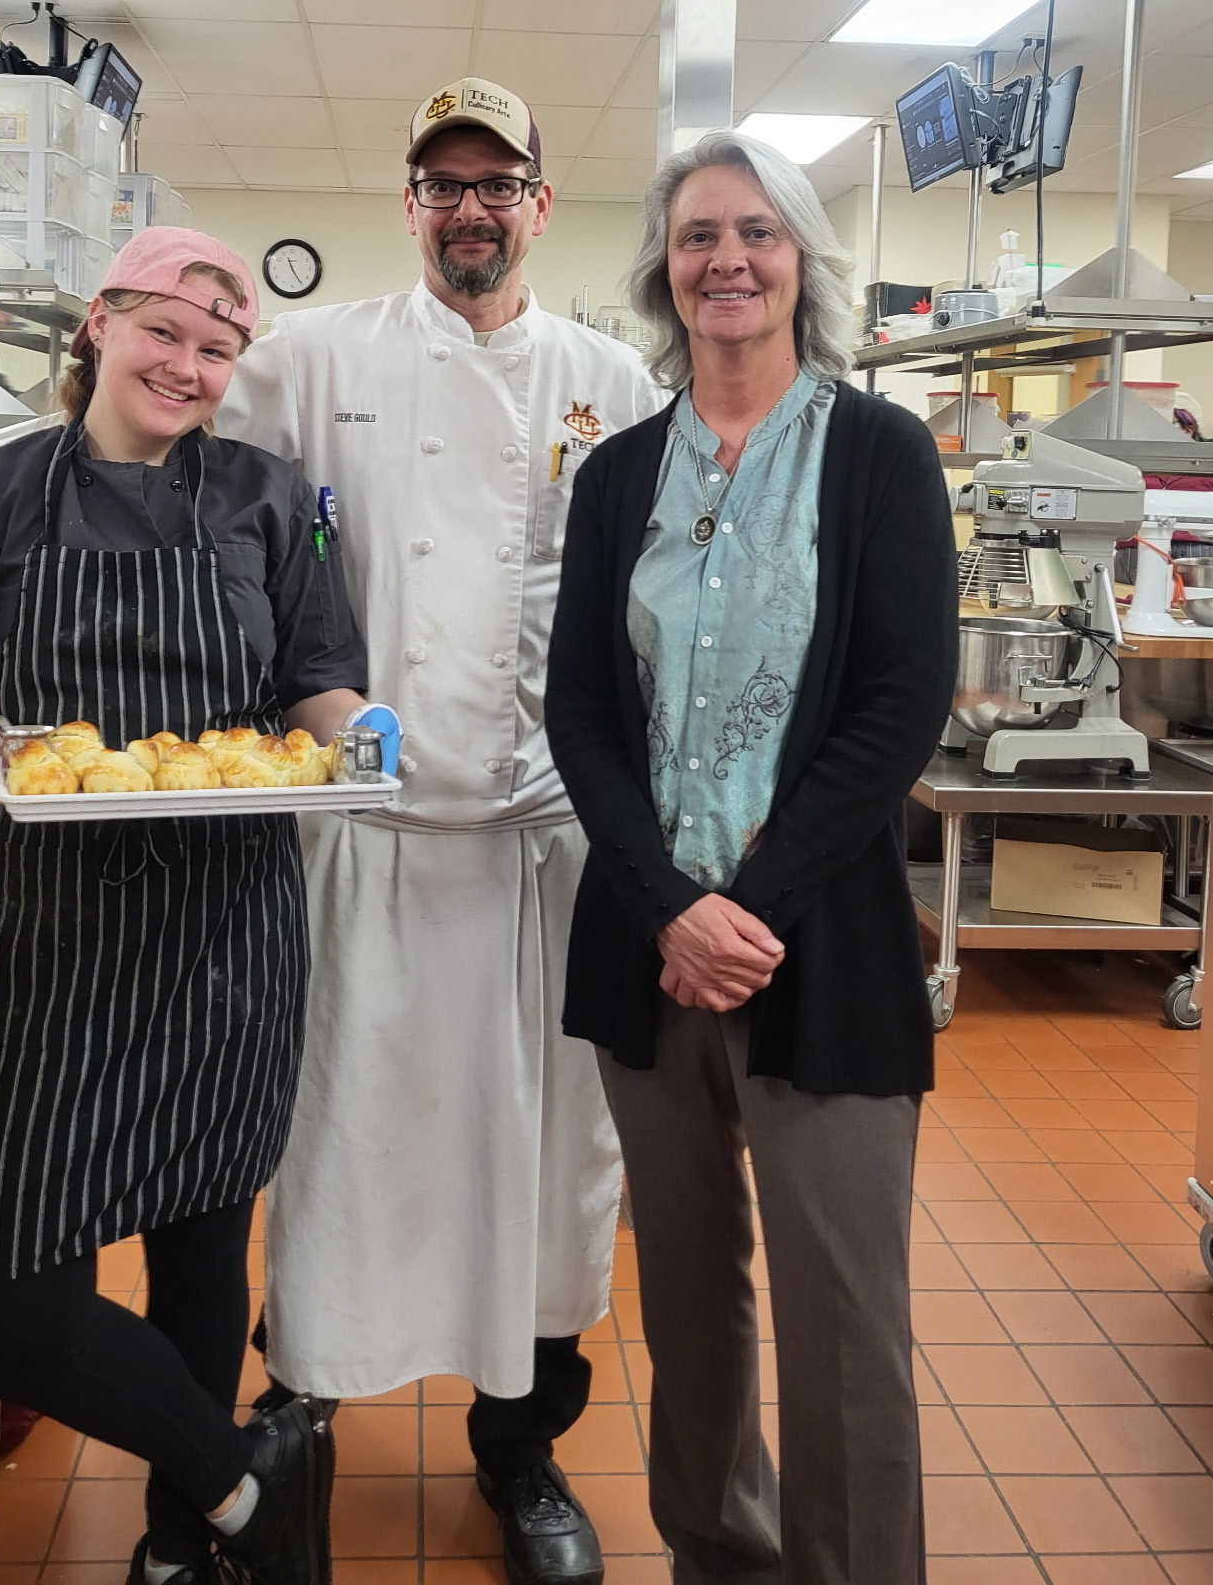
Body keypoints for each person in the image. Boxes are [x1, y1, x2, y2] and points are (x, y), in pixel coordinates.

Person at [219, 79, 664, 1585]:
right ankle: (304, 1411)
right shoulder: (314, 356)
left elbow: (668, 604)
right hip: (363, 830)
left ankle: (522, 1450)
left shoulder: (612, 380)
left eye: (498, 183)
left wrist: (601, 752)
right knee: (343, 1133)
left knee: (542, 1160)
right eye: (441, 184)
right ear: (409, 205)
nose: (469, 208)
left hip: (548, 849)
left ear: (540, 203)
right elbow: (199, 506)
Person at [0, 228, 369, 1585]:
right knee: (10, 1315)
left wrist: (367, 727)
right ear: (99, 325)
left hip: (225, 937)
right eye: (168, 331)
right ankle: (245, 1491)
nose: (192, 364)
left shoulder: (274, 498)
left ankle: (178, 1537)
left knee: (204, 1253)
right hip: (50, 944)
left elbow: (318, 683)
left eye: (220, 348)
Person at [544, 132, 959, 1585]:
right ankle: (722, 1551)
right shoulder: (615, 480)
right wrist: (671, 907)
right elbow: (583, 711)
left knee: (844, 1314)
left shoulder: (882, 455)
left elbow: (901, 702)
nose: (728, 257)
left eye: (759, 232)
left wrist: (743, 909)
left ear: (803, 264)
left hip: (820, 947)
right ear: (665, 269)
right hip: (647, 948)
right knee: (691, 1302)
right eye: (699, 234)